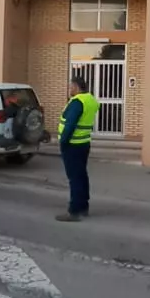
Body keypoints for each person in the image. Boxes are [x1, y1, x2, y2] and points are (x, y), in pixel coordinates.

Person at [58, 71, 96, 222]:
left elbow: (70, 124)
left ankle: (74, 210)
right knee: (81, 176)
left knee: (74, 178)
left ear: (76, 86)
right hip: (84, 143)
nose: (69, 89)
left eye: (70, 86)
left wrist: (63, 141)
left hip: (72, 145)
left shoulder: (77, 102)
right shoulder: (90, 100)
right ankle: (83, 206)